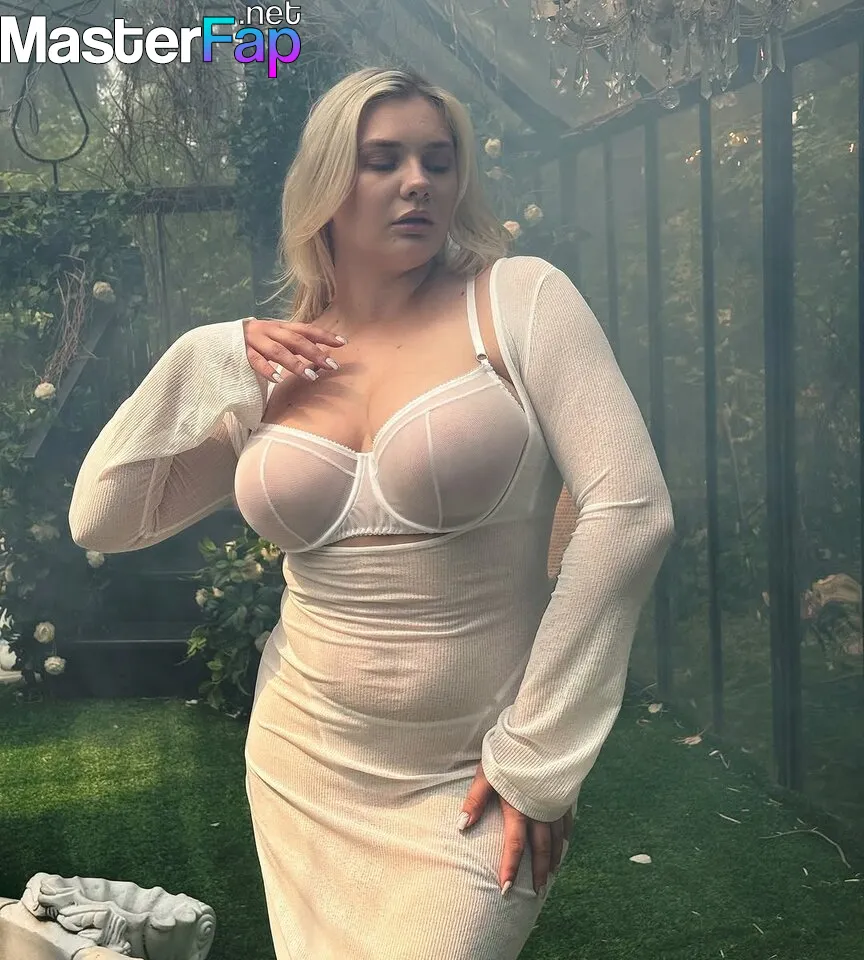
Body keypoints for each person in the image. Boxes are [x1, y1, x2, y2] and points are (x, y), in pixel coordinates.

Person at [68, 66, 675, 960]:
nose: (418, 181)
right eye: (382, 160)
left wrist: (537, 757)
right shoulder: (270, 367)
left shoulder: (518, 301)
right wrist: (204, 357)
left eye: (439, 160)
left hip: (470, 772)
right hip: (303, 762)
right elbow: (103, 519)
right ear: (325, 184)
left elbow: (631, 512)